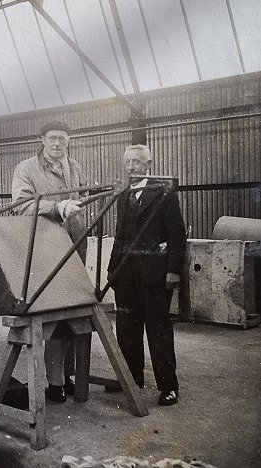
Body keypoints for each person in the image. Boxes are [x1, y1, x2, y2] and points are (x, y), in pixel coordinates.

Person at [11, 120, 86, 403]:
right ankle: (48, 381)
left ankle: (61, 379)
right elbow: (21, 206)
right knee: (45, 318)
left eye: (63, 139)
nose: (57, 144)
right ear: (42, 139)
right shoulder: (26, 169)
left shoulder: (75, 167)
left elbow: (80, 200)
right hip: (43, 250)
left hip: (74, 248)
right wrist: (56, 207)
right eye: (52, 138)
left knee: (70, 318)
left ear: (69, 140)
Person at [107, 144, 186, 406]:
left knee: (158, 329)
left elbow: (176, 234)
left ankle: (168, 386)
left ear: (148, 164)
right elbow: (119, 235)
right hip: (126, 273)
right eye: (127, 162)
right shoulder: (123, 194)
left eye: (137, 162)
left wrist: (174, 270)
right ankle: (131, 380)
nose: (131, 167)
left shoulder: (163, 193)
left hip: (155, 273)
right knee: (127, 328)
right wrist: (112, 271)